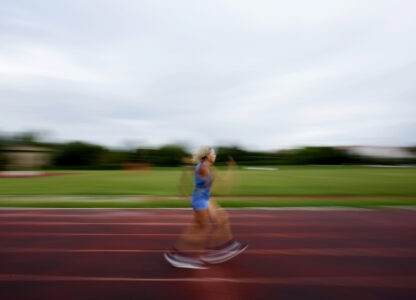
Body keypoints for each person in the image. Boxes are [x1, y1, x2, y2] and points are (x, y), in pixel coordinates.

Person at [164, 146, 247, 269]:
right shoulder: (203, 168)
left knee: (222, 218)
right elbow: (220, 188)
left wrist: (230, 169)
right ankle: (177, 254)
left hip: (204, 199)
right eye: (213, 154)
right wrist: (231, 170)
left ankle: (223, 247)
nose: (215, 156)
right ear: (207, 155)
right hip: (200, 201)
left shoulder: (207, 167)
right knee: (202, 229)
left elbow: (217, 183)